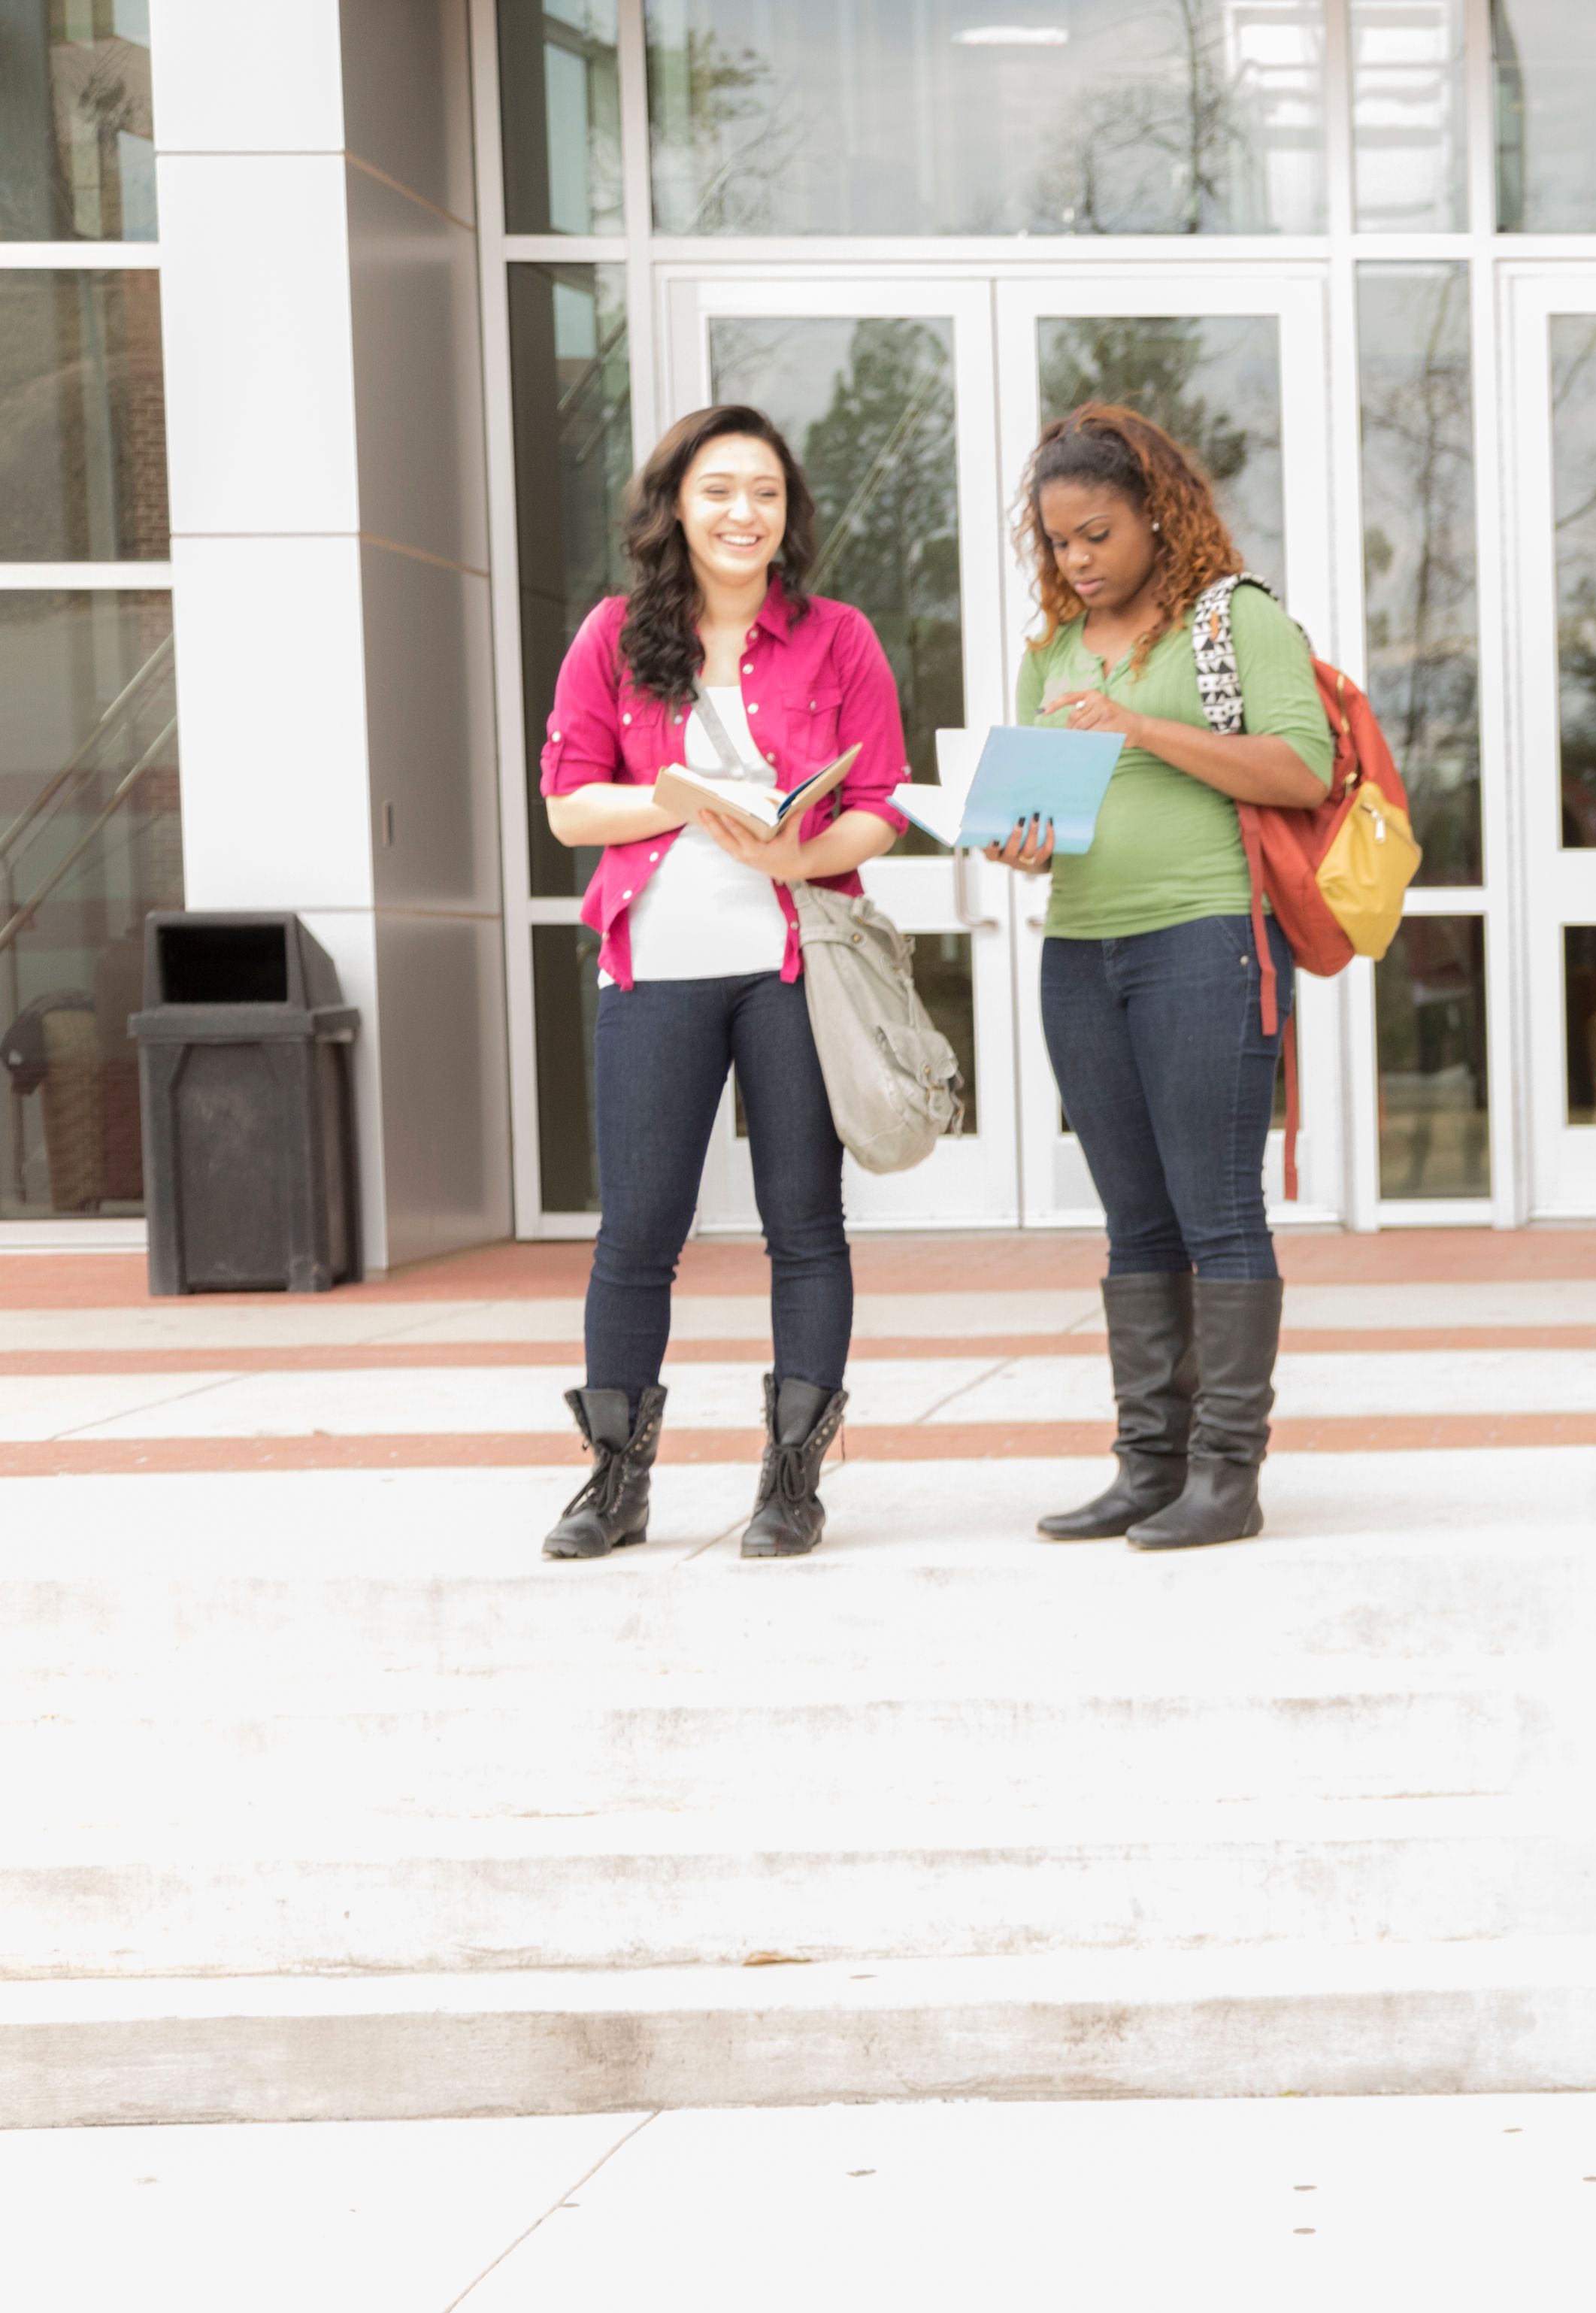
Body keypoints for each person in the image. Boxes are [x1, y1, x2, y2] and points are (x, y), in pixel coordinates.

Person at [535, 402, 907, 1562]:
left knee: (805, 1224)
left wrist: (799, 851)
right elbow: (566, 804)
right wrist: (679, 798)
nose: (743, 513)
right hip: (657, 967)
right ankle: (615, 1481)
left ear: (786, 515)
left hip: (793, 965)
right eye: (719, 491)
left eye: (765, 494)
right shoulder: (610, 633)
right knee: (638, 1230)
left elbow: (883, 805)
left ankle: (792, 1481)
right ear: (677, 507)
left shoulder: (838, 635)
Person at [986, 404, 1330, 1551]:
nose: (1078, 562)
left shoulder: (1234, 621)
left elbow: (1298, 771)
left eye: (1097, 535)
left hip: (1205, 941)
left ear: (1156, 516)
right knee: (1135, 1220)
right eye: (1059, 544)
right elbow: (1057, 796)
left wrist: (1136, 724)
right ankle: (1149, 1466)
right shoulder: (1050, 649)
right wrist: (1018, 834)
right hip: (1082, 949)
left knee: (1217, 1211)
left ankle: (1228, 1477)